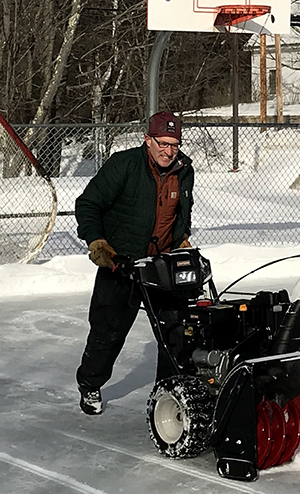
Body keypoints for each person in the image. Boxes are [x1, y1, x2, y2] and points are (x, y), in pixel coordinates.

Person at [74, 111, 194, 415]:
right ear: (148, 140)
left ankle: (169, 395)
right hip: (121, 264)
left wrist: (180, 239)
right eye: (163, 143)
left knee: (177, 333)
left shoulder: (184, 170)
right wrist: (97, 242)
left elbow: (179, 212)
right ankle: (90, 384)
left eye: (175, 144)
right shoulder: (124, 165)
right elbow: (88, 204)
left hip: (162, 264)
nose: (169, 151)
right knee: (108, 331)